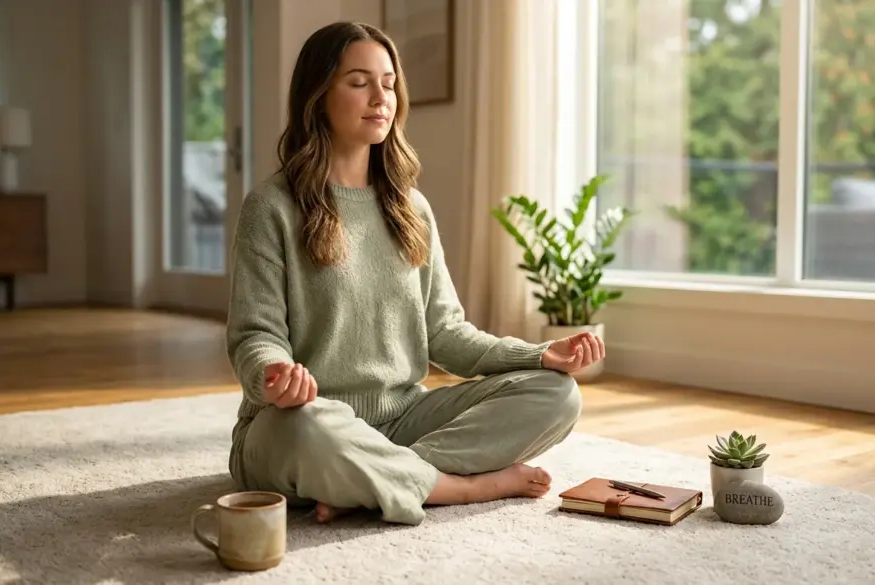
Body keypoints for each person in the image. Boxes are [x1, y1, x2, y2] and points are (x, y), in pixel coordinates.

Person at [225, 21, 605, 527]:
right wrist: (274, 378)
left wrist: (539, 354)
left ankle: (370, 481)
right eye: (359, 82)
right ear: (317, 97)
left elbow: (446, 334)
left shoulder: (411, 208)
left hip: (403, 418)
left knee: (556, 394)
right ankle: (462, 488)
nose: (380, 96)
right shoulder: (271, 207)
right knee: (309, 431)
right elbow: (256, 335)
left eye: (388, 82)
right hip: (304, 420)